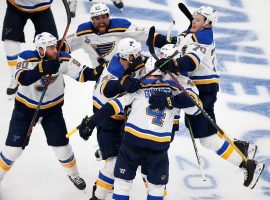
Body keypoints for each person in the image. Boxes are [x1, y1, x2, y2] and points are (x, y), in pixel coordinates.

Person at [152, 6, 264, 189]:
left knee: (207, 138)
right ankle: (239, 147)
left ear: (208, 23)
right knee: (208, 126)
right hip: (199, 87)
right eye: (194, 18)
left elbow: (190, 62)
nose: (194, 21)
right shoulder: (193, 33)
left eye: (198, 19)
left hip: (203, 89)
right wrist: (158, 40)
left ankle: (247, 164)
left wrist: (170, 63)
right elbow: (178, 43)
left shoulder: (202, 37)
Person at [78, 55, 201, 200]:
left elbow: (114, 105)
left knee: (122, 184)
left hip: (132, 143)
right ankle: (99, 195)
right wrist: (172, 101)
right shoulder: (175, 91)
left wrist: (92, 121)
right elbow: (196, 107)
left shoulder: (138, 88)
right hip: (158, 147)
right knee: (156, 187)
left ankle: (98, 195)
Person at [0, 32, 103, 192]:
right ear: (40, 50)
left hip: (52, 111)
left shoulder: (62, 58)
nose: (55, 50)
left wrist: (98, 72)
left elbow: (83, 74)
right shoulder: (26, 57)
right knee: (13, 150)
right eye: (50, 48)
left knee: (62, 145)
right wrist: (41, 69)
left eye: (54, 46)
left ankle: (73, 174)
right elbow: (22, 79)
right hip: (24, 110)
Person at [79, 37, 143, 200]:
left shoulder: (125, 61)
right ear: (127, 57)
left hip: (122, 119)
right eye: (135, 57)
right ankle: (98, 195)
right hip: (106, 120)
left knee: (127, 158)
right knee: (115, 164)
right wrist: (123, 83)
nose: (138, 60)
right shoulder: (114, 69)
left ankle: (107, 153)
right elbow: (107, 90)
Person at [2, 0, 58, 98]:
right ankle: (16, 76)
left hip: (43, 7)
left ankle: (46, 75)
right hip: (16, 6)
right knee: (10, 43)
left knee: (50, 43)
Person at [65, 2, 148, 68]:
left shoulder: (121, 26)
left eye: (103, 17)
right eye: (97, 18)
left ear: (108, 17)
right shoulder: (83, 32)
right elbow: (64, 46)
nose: (101, 21)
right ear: (92, 20)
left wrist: (160, 41)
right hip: (103, 78)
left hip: (128, 72)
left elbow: (147, 35)